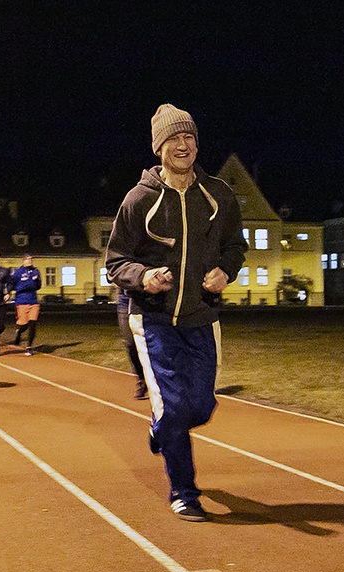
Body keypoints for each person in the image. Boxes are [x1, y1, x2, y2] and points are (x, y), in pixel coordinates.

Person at [105, 104, 247, 521]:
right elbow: (115, 262)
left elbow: (235, 247)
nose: (183, 145)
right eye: (174, 139)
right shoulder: (139, 200)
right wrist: (144, 276)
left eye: (189, 138)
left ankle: (161, 428)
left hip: (202, 317)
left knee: (200, 407)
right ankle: (184, 491)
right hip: (153, 321)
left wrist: (226, 271)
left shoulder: (219, 194)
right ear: (159, 148)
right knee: (173, 408)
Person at [117, 288, 147, 400]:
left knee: (151, 343)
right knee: (130, 343)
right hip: (124, 303)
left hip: (145, 302)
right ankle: (141, 379)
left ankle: (157, 380)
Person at [9, 253, 41, 355]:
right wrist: (10, 291)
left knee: (33, 323)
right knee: (24, 324)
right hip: (22, 301)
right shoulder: (18, 272)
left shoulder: (35, 271)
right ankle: (19, 332)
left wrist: (36, 282)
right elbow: (11, 285)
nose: (30, 261)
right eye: (28, 259)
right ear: (23, 261)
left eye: (31, 259)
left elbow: (39, 285)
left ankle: (29, 346)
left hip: (33, 301)